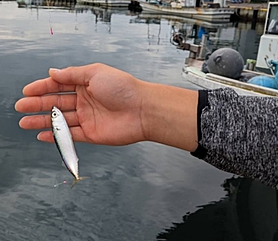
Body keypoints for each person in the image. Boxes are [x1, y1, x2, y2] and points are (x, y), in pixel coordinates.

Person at [15, 63, 278, 190]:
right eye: (55, 115)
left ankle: (75, 172)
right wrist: (143, 108)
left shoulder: (58, 116)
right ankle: (75, 172)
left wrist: (143, 108)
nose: (55, 115)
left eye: (54, 114)